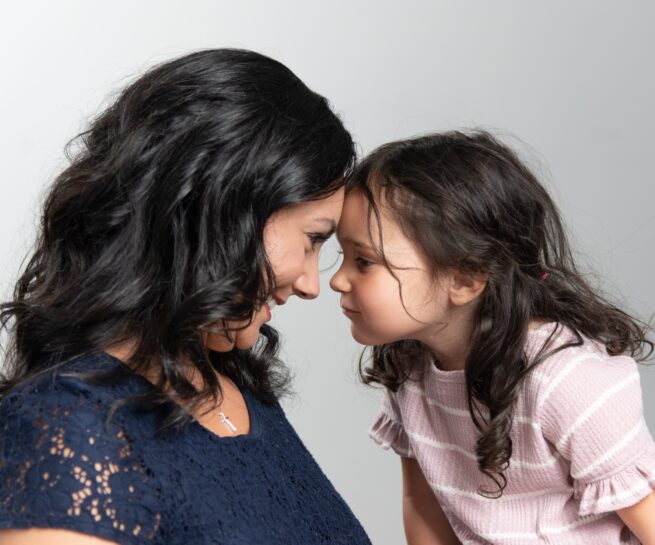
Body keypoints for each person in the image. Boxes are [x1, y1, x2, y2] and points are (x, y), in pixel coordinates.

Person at [0, 49, 371, 545]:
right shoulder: (69, 426)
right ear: (225, 210)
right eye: (312, 240)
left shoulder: (239, 390)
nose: (309, 283)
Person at [330, 130, 655, 544]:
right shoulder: (410, 371)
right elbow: (422, 503)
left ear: (464, 278)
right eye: (342, 256)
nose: (338, 280)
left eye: (364, 261)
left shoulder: (566, 384)